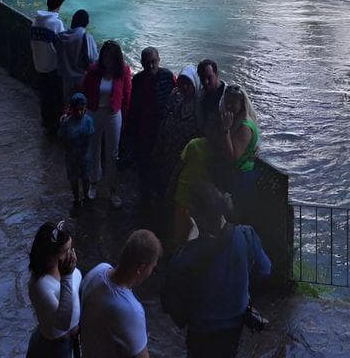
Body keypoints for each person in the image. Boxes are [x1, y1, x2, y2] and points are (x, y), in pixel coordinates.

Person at [162, 182, 271, 358]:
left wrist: (188, 241)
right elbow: (265, 269)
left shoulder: (188, 254)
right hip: (235, 321)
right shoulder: (246, 236)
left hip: (200, 326)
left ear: (195, 217)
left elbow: (172, 286)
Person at [80, 229, 161, 358]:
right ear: (141, 269)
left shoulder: (98, 270)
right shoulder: (131, 310)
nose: (151, 272)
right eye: (152, 267)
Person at [82, 40, 131, 208]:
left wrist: (123, 118)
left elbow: (127, 96)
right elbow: (85, 91)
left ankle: (112, 189)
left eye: (111, 57)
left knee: (113, 153)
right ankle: (94, 182)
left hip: (113, 113)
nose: (107, 60)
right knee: (93, 149)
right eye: (105, 56)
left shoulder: (123, 71)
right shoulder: (93, 70)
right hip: (93, 112)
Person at [26, 219, 82, 358]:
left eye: (70, 248)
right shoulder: (41, 286)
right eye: (65, 251)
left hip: (70, 341)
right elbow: (63, 323)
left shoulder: (63, 267)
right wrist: (67, 276)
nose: (70, 254)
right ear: (49, 256)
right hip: (55, 349)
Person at [125, 46, 175, 191]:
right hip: (144, 127)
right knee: (144, 160)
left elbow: (176, 98)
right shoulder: (138, 80)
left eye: (153, 62)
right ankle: (145, 190)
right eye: (147, 62)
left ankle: (158, 190)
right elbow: (133, 106)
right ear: (142, 63)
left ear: (159, 60)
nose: (151, 66)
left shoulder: (167, 76)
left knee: (161, 160)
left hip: (162, 126)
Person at [152, 65, 201, 197]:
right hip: (168, 146)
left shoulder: (200, 104)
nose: (184, 87)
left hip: (185, 152)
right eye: (182, 83)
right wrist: (159, 143)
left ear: (195, 83)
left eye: (188, 84)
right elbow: (165, 117)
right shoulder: (175, 95)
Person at [218, 85, 259, 221]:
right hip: (235, 174)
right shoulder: (235, 120)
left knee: (236, 216)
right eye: (227, 101)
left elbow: (233, 157)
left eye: (233, 103)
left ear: (241, 103)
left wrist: (225, 130)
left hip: (241, 176)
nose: (229, 106)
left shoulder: (245, 127)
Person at [31, 0, 65, 134]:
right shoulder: (56, 23)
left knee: (44, 95)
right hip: (53, 65)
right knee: (55, 96)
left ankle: (45, 121)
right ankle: (55, 124)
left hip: (38, 63)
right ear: (58, 6)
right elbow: (63, 43)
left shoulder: (35, 21)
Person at [58, 92, 95, 209]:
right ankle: (76, 198)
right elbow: (62, 139)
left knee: (85, 177)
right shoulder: (66, 123)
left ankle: (85, 196)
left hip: (84, 154)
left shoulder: (88, 120)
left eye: (82, 109)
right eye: (77, 109)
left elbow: (89, 138)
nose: (80, 112)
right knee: (73, 179)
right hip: (72, 155)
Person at [55, 10, 99, 103]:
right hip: (81, 79)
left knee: (66, 103)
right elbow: (93, 59)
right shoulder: (86, 37)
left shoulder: (61, 36)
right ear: (86, 23)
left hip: (65, 78)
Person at [197, 59, 226, 130]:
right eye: (202, 78)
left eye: (209, 77)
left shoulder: (228, 95)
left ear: (217, 74)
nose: (206, 82)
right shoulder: (200, 96)